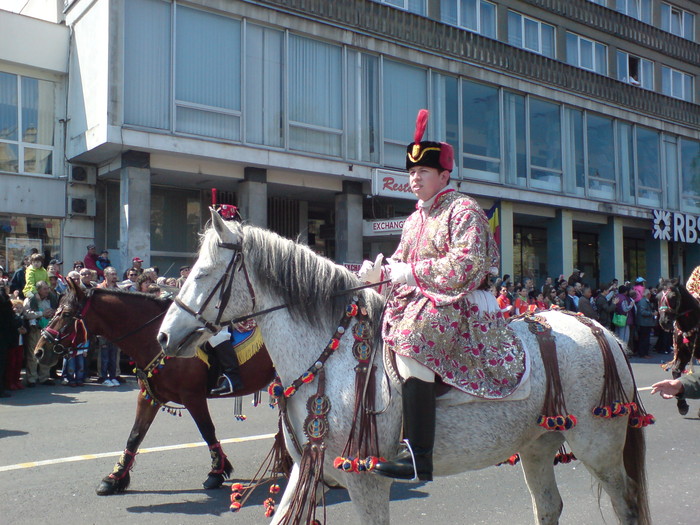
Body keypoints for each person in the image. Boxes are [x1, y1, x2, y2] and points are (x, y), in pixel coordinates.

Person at [358, 109, 525, 482]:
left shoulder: (464, 209)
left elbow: (464, 267)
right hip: (421, 298)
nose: (414, 179)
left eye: (423, 173)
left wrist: (403, 272)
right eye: (412, 173)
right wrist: (379, 274)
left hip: (457, 301)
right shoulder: (416, 217)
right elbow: (399, 262)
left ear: (444, 175)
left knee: (411, 344)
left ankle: (419, 456)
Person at [23, 281, 59, 387]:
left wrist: (52, 313)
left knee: (47, 354)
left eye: (48, 288)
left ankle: (44, 377)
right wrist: (42, 314)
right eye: (44, 289)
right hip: (35, 330)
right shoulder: (30, 300)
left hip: (48, 330)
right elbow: (26, 314)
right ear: (38, 290)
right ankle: (32, 379)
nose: (47, 291)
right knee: (33, 354)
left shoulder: (51, 299)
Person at [635, 289, 655, 359]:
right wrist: (651, 313)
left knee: (645, 339)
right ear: (648, 294)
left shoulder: (645, 301)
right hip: (644, 323)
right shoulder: (643, 302)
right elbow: (642, 312)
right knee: (644, 339)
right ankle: (643, 353)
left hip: (646, 323)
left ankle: (644, 353)